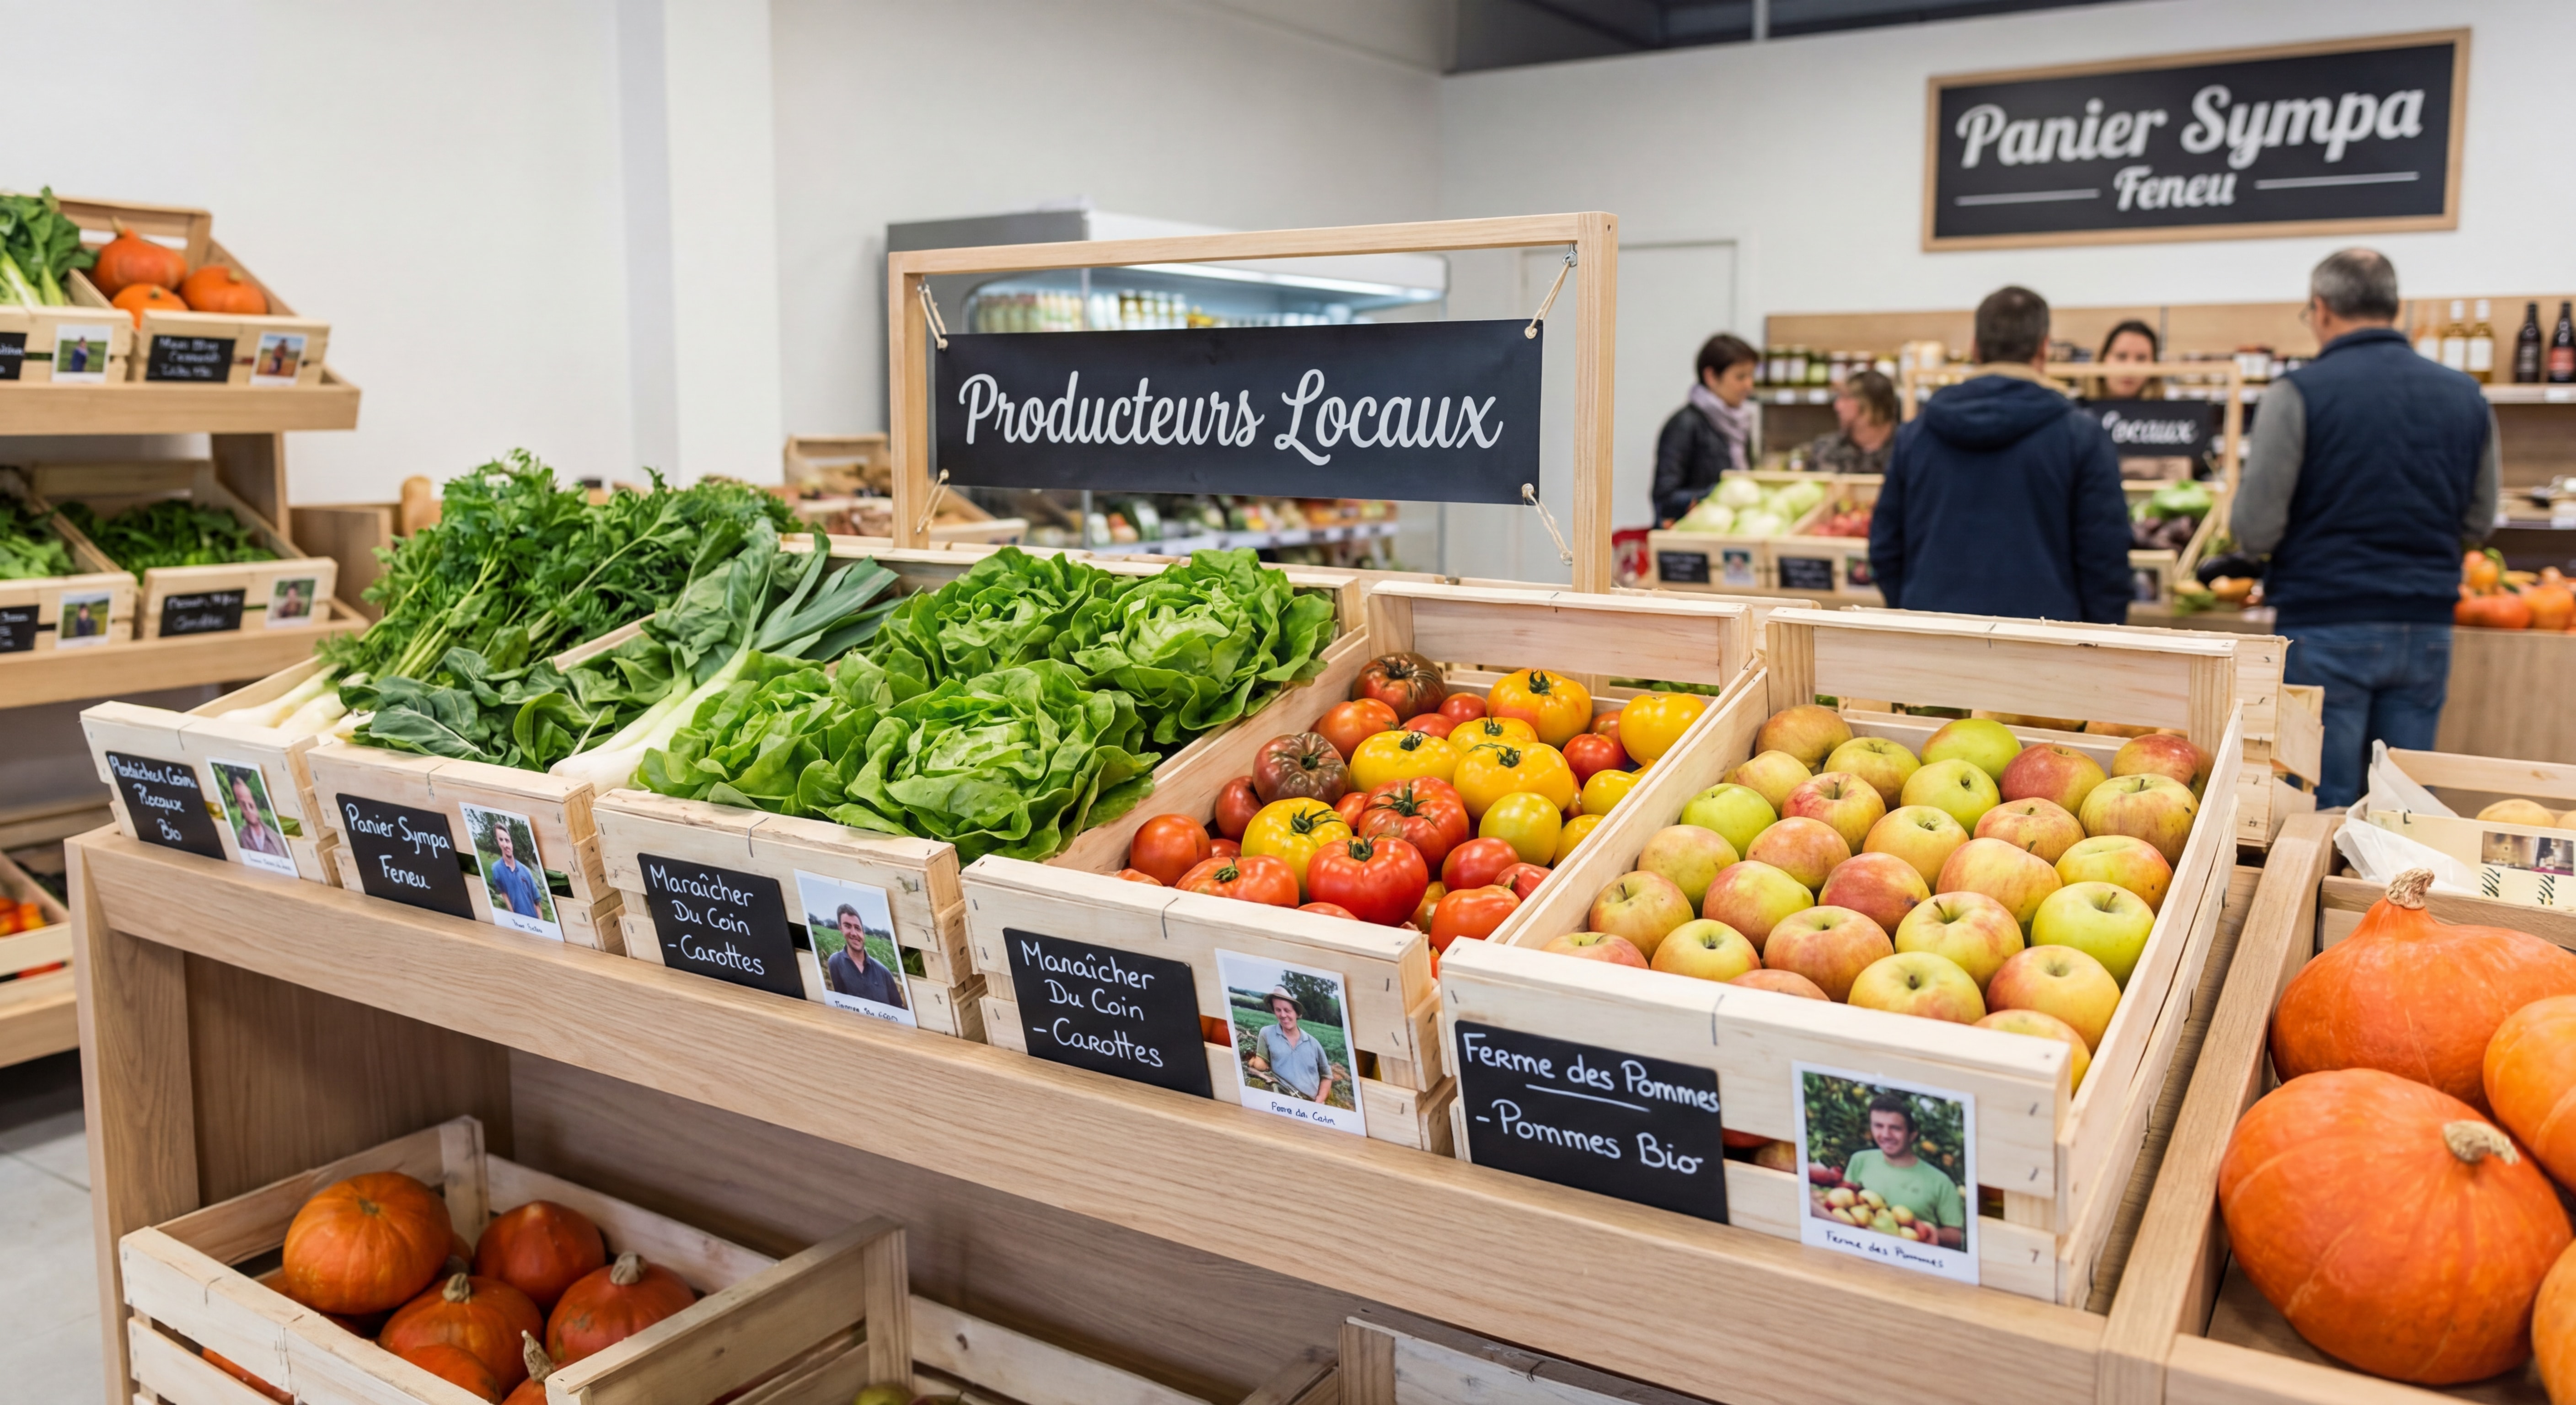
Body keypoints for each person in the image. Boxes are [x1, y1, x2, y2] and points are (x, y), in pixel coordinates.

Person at [2231, 248, 2500, 810]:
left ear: (2322, 310)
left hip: (2326, 623)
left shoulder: (2297, 393)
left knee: (2318, 809)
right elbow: (2478, 522)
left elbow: (2255, 531)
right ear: (2395, 307)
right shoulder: (2465, 396)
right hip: (2424, 626)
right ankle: (2391, 899)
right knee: (2401, 809)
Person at [1868, 286, 2131, 623]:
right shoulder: (2082, 437)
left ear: (1975, 348)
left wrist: (1912, 610)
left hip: (1932, 641)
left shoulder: (1916, 435)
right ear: (2044, 349)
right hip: (2046, 647)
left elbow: (1885, 548)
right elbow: (2105, 560)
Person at [1651, 334, 1759, 525]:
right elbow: (1665, 498)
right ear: (1711, 377)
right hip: (1691, 542)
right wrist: (1722, 494)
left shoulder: (1741, 423)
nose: (1749, 385)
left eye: (1751, 376)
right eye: (1740, 377)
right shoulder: (1684, 424)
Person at [1837, 1094, 1965, 1249]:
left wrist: (1933, 1234)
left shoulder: (1941, 1182)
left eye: (1895, 1128)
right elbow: (1844, 1204)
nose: (1885, 1135)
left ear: (1912, 1135)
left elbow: (1957, 1235)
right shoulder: (1860, 1161)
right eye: (1878, 1126)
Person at [1247, 987, 1337, 1105]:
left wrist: (1320, 1100)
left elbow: (1327, 1076)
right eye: (1278, 1010)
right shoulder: (1266, 1033)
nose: (1283, 1015)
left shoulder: (1314, 1044)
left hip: (1310, 1102)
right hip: (1283, 1099)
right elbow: (1262, 1062)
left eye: (1287, 1010)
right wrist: (1256, 1062)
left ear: (1297, 1013)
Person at [1807, 369, 1898, 475]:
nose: (1837, 406)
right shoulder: (1825, 450)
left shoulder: (1908, 452)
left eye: (1846, 398)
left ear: (1872, 404)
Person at [824, 903, 908, 1010]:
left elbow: (899, 1009)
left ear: (863, 933)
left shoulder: (884, 972)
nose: (854, 933)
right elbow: (842, 1002)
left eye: (858, 928)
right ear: (840, 928)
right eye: (848, 926)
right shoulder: (835, 962)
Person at [484, 824, 546, 919]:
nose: (505, 845)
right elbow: (504, 893)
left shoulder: (526, 871)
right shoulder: (496, 869)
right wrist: (514, 915)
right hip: (517, 923)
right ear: (498, 842)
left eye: (507, 841)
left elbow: (537, 904)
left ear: (512, 844)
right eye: (501, 840)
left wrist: (541, 925)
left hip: (534, 921)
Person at [2093, 319, 2165, 399]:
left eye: (2141, 359)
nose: (2130, 368)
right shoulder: (2079, 407)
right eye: (2121, 356)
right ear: (2103, 358)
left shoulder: (2169, 409)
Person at [227, 774, 289, 860]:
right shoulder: (242, 836)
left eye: (251, 805)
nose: (249, 810)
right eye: (244, 806)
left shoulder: (276, 838)